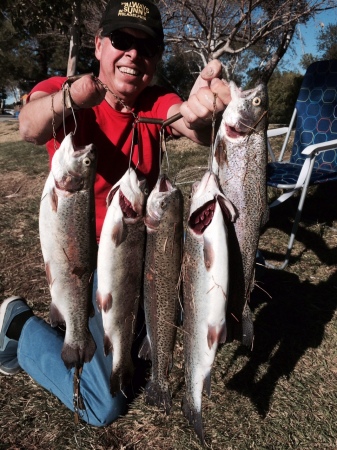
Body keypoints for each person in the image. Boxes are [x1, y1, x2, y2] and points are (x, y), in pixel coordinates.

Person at [0, 0, 231, 426]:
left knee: (191, 313)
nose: (132, 55)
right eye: (121, 41)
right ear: (98, 45)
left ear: (157, 58)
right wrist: (70, 96)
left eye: (146, 48)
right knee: (104, 403)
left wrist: (200, 111)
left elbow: (186, 123)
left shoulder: (157, 101)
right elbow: (30, 127)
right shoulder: (70, 90)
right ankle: (19, 327)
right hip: (86, 264)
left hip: (142, 256)